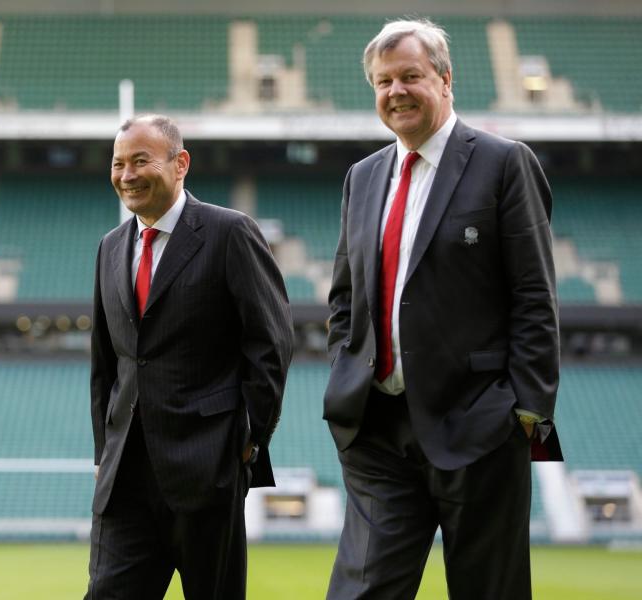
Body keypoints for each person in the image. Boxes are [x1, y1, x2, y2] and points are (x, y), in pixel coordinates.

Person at [324, 19, 562, 600]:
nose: (396, 92)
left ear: (446, 79)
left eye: (411, 76)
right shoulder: (363, 176)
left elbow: (534, 296)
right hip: (378, 429)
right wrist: (346, 374)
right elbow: (345, 299)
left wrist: (526, 413)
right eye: (383, 82)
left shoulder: (504, 163)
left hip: (479, 425)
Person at [86, 115, 294, 599]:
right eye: (118, 164)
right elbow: (105, 363)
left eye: (141, 160)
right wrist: (104, 451)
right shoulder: (109, 248)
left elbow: (272, 344)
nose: (127, 174)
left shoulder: (230, 233)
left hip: (208, 471)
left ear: (180, 164)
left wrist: (250, 439)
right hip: (125, 481)